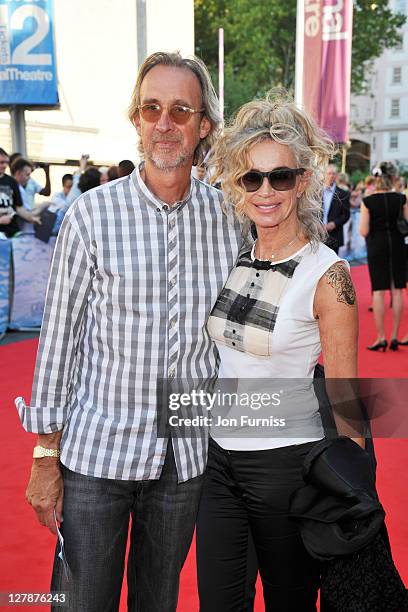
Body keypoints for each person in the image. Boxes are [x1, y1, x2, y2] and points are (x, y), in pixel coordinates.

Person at [15, 51, 242, 612]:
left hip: (184, 458)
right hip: (97, 455)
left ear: (203, 125)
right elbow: (59, 340)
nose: (165, 123)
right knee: (80, 602)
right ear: (137, 120)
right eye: (152, 108)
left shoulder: (230, 220)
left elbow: (242, 336)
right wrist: (46, 457)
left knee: (156, 602)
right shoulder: (91, 215)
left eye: (181, 110)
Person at [195, 91, 361, 611]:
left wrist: (351, 493)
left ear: (303, 181)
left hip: (288, 469)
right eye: (251, 177)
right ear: (237, 186)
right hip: (216, 463)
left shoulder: (328, 274)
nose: (266, 191)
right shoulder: (234, 257)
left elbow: (346, 397)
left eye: (280, 177)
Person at [360, 173, 408, 351]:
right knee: (397, 291)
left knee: (379, 292)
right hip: (397, 245)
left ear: (377, 183)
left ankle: (381, 337)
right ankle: (395, 336)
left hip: (377, 247)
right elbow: (407, 223)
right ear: (391, 183)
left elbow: (363, 230)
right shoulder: (401, 199)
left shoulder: (368, 202)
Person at [0, 148, 40, 237]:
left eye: (6, 162)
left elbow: (19, 208)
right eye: (1, 162)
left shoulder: (11, 182)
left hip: (12, 233)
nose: (5, 165)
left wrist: (31, 218)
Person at [322, 163, 350, 253]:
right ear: (324, 175)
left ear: (337, 175)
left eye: (333, 173)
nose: (331, 176)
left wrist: (334, 224)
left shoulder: (343, 193)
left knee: (333, 265)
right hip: (317, 235)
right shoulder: (315, 192)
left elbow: (346, 214)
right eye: (329, 173)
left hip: (334, 235)